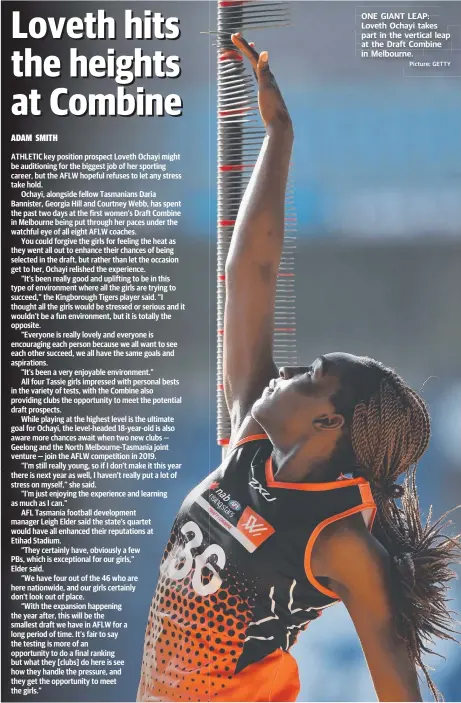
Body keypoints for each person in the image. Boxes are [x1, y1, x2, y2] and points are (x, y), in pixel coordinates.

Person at [136, 34, 460, 703]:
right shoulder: (253, 441)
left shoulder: (339, 539)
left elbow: (401, 693)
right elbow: (245, 272)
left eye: (306, 374)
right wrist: (279, 134)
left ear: (326, 420)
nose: (281, 374)